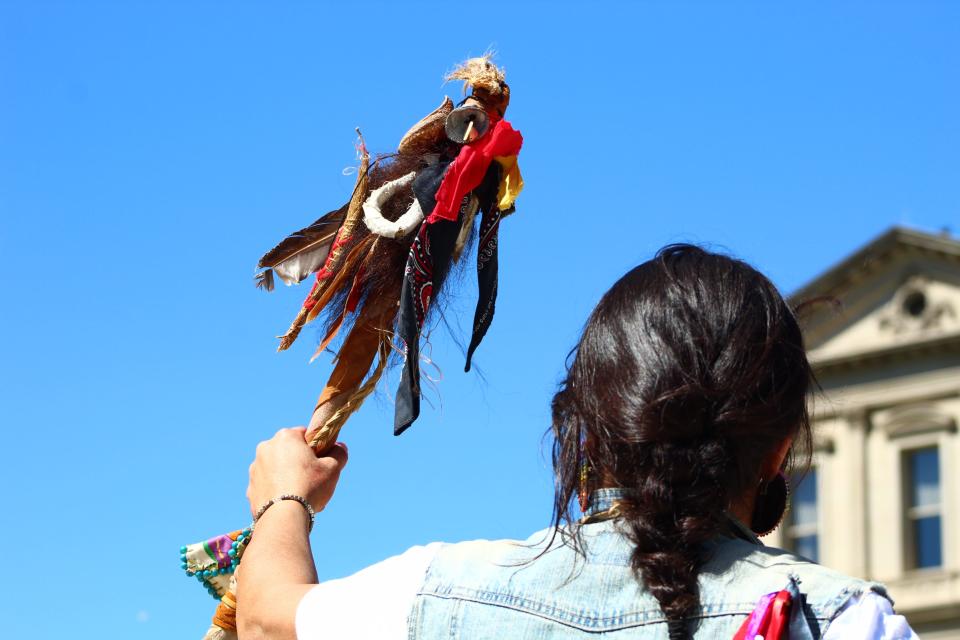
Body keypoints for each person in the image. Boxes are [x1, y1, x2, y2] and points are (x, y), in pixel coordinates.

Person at [236, 244, 919, 640]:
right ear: (778, 453)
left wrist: (284, 499)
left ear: (589, 430)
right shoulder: (845, 623)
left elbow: (267, 619)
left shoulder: (437, 591)